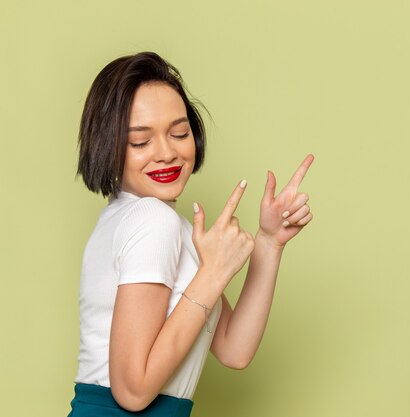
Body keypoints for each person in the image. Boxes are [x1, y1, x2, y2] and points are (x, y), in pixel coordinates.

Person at [68, 51, 314, 417]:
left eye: (179, 133)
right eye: (140, 142)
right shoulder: (153, 221)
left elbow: (234, 349)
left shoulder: (150, 223)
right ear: (109, 146)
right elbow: (132, 391)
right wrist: (213, 273)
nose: (166, 153)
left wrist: (268, 242)